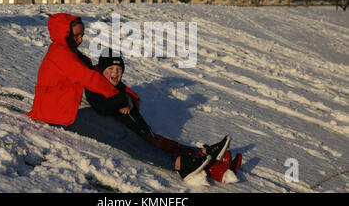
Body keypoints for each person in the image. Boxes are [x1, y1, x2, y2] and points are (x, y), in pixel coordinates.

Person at [84, 48, 234, 181]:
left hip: (143, 131)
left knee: (169, 144)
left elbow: (130, 103)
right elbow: (102, 107)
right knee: (163, 148)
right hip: (133, 134)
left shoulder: (118, 88)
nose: (115, 72)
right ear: (102, 70)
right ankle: (204, 165)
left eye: (118, 68)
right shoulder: (96, 85)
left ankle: (205, 153)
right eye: (110, 68)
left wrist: (128, 100)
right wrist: (123, 100)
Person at [27, 13, 129, 127]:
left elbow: (90, 71)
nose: (80, 40)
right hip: (54, 114)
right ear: (65, 33)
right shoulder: (60, 53)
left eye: (82, 35)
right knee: (113, 128)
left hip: (62, 107)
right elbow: (87, 76)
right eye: (76, 35)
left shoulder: (70, 51)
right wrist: (116, 96)